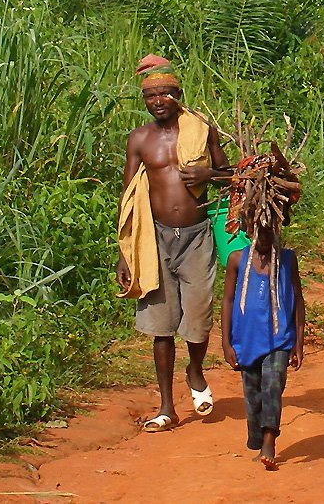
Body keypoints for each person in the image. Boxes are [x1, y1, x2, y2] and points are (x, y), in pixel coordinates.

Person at [116, 54, 229, 432]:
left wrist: (206, 173)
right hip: (155, 240)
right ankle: (166, 406)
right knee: (161, 326)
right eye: (151, 95)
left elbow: (230, 176)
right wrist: (125, 253)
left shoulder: (200, 129)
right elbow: (128, 195)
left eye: (165, 93)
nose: (158, 101)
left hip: (196, 236)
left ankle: (195, 371)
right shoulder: (139, 139)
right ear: (144, 100)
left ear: (178, 95)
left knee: (197, 319)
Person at [221, 223, 305, 470]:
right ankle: (259, 439)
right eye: (260, 231)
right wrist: (226, 343)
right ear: (249, 230)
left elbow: (298, 298)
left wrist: (298, 342)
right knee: (253, 394)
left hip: (280, 339)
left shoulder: (287, 260)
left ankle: (270, 440)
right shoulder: (237, 260)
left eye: (270, 231)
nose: (265, 237)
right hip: (246, 340)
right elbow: (227, 300)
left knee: (272, 384)